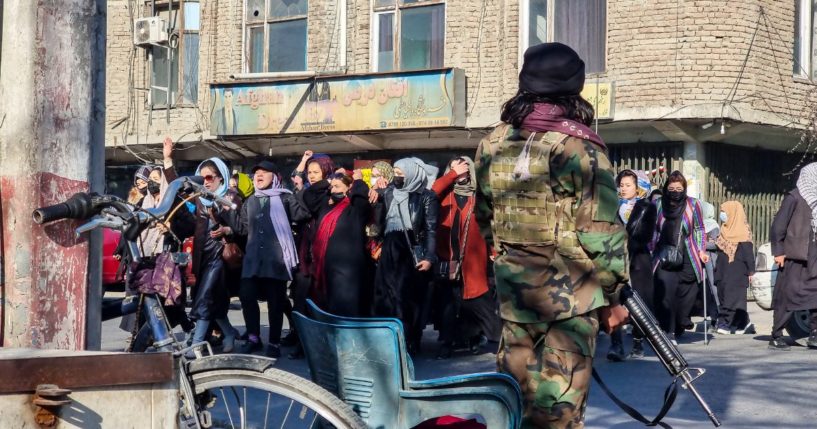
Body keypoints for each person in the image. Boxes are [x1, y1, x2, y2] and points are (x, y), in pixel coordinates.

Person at [474, 43, 628, 428]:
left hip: (516, 300)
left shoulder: (493, 143)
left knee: (512, 406)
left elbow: (483, 218)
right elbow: (602, 235)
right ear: (574, 89)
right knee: (559, 412)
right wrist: (613, 297)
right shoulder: (580, 148)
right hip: (571, 304)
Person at [235, 159, 308, 358]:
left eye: (263, 173)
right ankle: (253, 338)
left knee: (276, 302)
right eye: (256, 174)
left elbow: (302, 216)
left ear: (275, 177)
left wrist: (300, 191)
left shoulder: (285, 199)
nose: (258, 176)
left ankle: (274, 342)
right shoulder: (250, 201)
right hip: (252, 261)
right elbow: (242, 228)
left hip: (276, 260)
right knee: (247, 296)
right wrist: (226, 216)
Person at [431, 156, 499, 359]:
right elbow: (431, 192)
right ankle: (447, 342)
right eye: (453, 169)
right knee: (449, 304)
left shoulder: (479, 197)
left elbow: (490, 225)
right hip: (447, 260)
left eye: (463, 168)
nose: (460, 172)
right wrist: (452, 175)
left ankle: (475, 337)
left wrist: (494, 250)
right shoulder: (444, 196)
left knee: (475, 301)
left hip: (473, 261)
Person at [373, 157, 439, 354]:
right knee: (384, 295)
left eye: (401, 173)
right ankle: (387, 340)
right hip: (389, 249)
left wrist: (429, 257)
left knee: (406, 298)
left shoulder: (426, 196)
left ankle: (409, 340)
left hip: (411, 250)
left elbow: (431, 230)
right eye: (395, 173)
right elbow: (379, 223)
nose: (397, 177)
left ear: (412, 174)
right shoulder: (389, 192)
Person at [188, 156, 242, 354]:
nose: (206, 182)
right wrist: (168, 162)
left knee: (205, 299)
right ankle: (228, 333)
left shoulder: (231, 197)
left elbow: (241, 227)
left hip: (220, 257)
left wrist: (226, 228)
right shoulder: (200, 200)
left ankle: (196, 344)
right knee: (212, 302)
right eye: (201, 179)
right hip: (203, 256)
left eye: (209, 177)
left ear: (221, 177)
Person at [651, 171, 708, 345]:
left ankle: (681, 321)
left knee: (687, 290)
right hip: (663, 254)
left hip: (687, 253)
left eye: (679, 188)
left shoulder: (693, 204)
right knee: (667, 293)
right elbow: (653, 229)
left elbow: (699, 228)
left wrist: (701, 250)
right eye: (672, 188)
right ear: (666, 188)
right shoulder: (658, 204)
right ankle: (668, 331)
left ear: (684, 189)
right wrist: (651, 248)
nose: (675, 191)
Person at [309, 171, 372, 317]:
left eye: (337, 187)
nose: (333, 190)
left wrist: (359, 181)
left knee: (347, 309)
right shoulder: (326, 205)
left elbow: (361, 197)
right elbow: (309, 196)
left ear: (349, 188)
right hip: (327, 268)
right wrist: (327, 181)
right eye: (332, 187)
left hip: (349, 271)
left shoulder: (355, 208)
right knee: (329, 308)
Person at [609, 169, 656, 360]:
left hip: (638, 258)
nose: (623, 189)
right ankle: (616, 345)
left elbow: (645, 234)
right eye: (621, 185)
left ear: (637, 188)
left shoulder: (646, 207)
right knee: (614, 300)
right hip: (616, 258)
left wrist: (628, 243)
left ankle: (638, 343)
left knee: (639, 301)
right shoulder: (613, 207)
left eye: (628, 185)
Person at [769, 162, 817, 350]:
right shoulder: (794, 197)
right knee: (787, 296)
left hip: (815, 257)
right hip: (796, 256)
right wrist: (779, 251)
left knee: (816, 297)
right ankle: (777, 334)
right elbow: (778, 226)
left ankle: (814, 334)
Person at [714, 201, 755, 335]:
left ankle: (725, 323)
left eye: (724, 211)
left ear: (733, 213)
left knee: (733, 298)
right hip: (723, 269)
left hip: (737, 271)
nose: (722, 214)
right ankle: (743, 324)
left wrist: (751, 271)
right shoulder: (724, 230)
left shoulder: (743, 231)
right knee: (724, 295)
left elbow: (749, 254)